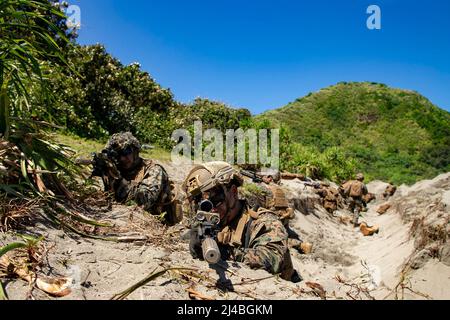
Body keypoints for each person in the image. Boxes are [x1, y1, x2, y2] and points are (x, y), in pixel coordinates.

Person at [183, 161, 301, 283]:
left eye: (216, 198)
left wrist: (225, 252)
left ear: (233, 192)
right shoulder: (209, 220)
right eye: (200, 203)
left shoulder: (264, 221)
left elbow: (273, 258)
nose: (211, 209)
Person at [93, 132, 182, 225]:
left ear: (135, 151)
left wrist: (117, 179)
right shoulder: (116, 168)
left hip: (155, 223)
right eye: (118, 155)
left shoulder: (154, 170)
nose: (123, 158)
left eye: (126, 152)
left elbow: (143, 201)